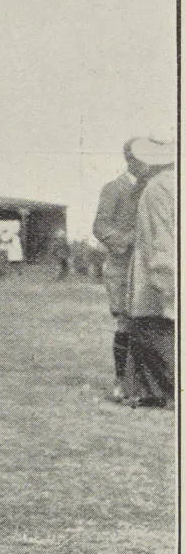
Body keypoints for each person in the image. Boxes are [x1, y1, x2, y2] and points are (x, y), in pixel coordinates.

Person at [92, 139, 144, 401]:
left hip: (145, 266)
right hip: (122, 267)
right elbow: (100, 226)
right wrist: (128, 240)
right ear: (131, 160)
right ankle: (121, 379)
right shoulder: (114, 188)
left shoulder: (152, 189)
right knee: (126, 323)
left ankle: (145, 382)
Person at [126, 136, 175, 408]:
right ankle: (154, 391)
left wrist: (164, 276)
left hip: (159, 272)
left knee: (153, 331)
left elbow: (163, 238)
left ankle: (165, 393)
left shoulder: (157, 188)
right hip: (165, 267)